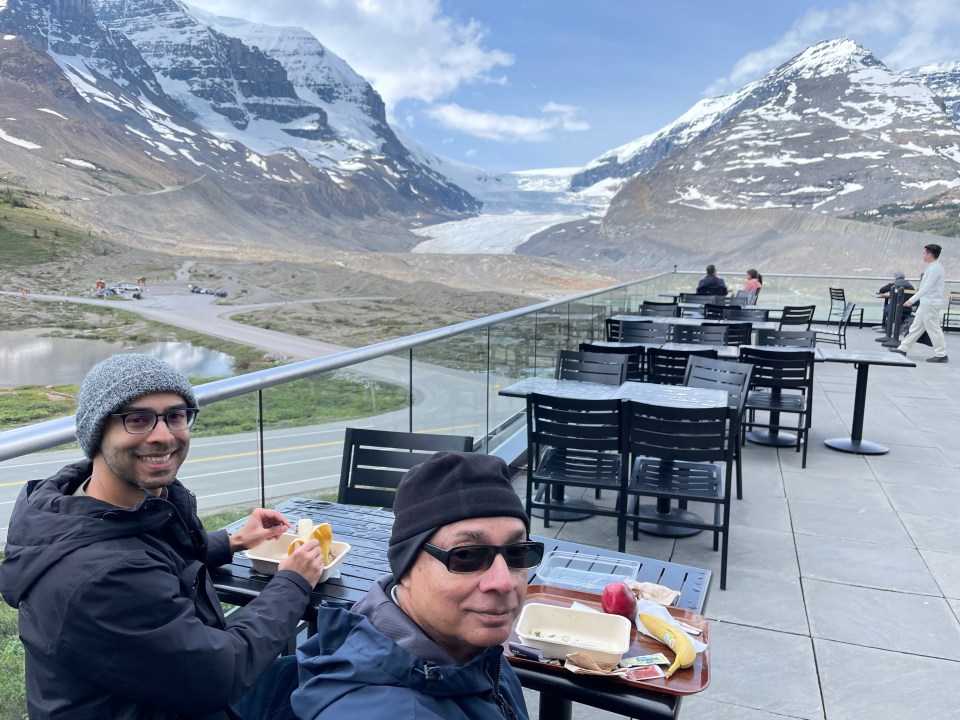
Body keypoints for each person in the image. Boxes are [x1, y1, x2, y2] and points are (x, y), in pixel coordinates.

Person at [0, 353, 326, 720]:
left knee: (334, 664)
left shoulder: (100, 505)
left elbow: (146, 553)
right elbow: (222, 674)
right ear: (96, 431)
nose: (164, 435)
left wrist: (232, 542)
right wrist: (293, 583)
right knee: (345, 675)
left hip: (168, 693)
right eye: (137, 419)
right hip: (195, 693)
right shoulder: (103, 577)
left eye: (176, 415)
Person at [294, 452, 540, 720]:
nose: (504, 581)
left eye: (518, 552)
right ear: (405, 569)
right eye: (466, 555)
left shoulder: (469, 650)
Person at [891, 244, 948, 362]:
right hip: (927, 303)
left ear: (930, 255)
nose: (922, 255)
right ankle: (903, 348)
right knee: (916, 327)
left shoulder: (935, 269)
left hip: (930, 304)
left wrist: (911, 300)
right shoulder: (933, 267)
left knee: (934, 329)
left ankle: (942, 354)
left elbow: (926, 288)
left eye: (924, 253)